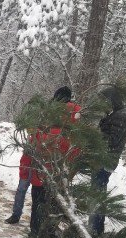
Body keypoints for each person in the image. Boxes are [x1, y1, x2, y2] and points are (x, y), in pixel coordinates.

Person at [17, 87, 81, 238]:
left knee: (39, 204)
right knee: (54, 204)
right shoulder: (76, 119)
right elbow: (77, 147)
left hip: (44, 170)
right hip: (62, 171)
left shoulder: (50, 117)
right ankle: (51, 237)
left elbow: (38, 141)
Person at [6, 86, 74, 225]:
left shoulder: (59, 119)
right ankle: (52, 223)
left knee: (35, 193)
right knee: (49, 194)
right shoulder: (72, 116)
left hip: (41, 159)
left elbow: (38, 136)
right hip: (50, 160)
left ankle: (32, 225)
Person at [89, 87, 126, 235]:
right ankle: (95, 228)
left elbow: (111, 140)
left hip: (105, 160)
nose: (102, 105)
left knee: (97, 195)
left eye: (104, 101)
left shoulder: (120, 116)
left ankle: (94, 230)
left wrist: (94, 135)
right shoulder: (115, 114)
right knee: (97, 193)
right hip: (103, 159)